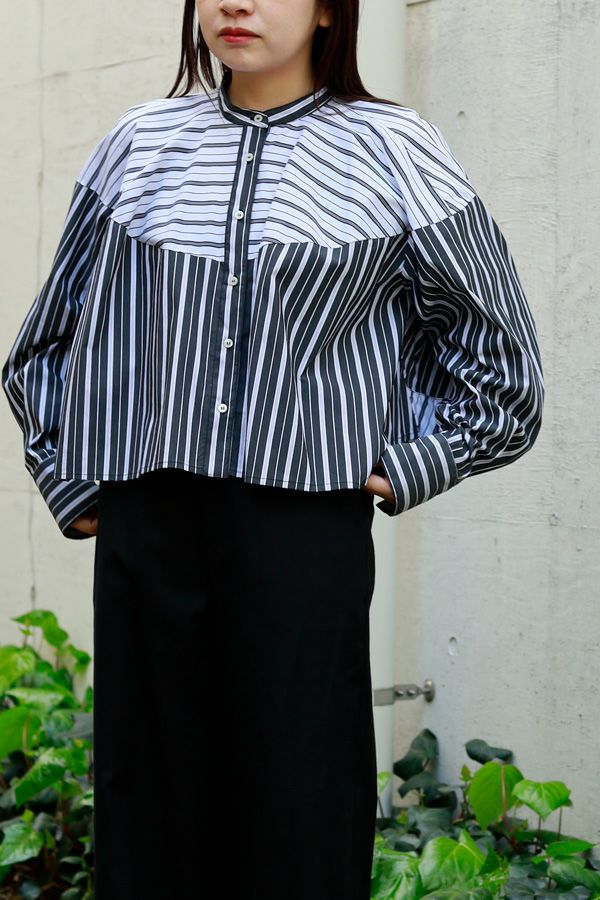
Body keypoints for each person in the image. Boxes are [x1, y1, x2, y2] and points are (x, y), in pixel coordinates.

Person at [1, 0, 545, 897]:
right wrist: (69, 479)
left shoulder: (395, 151)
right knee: (151, 811)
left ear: (330, 8)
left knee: (301, 808)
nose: (237, 3)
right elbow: (47, 339)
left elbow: (502, 362)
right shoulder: (139, 146)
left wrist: (408, 465)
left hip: (303, 537)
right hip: (150, 531)